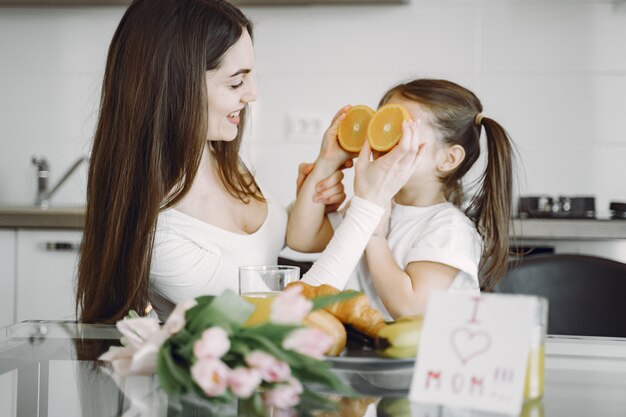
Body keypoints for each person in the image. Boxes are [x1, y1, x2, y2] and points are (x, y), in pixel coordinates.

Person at [76, 0, 420, 324]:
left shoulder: (216, 156)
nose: (252, 93)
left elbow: (278, 250)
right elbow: (282, 321)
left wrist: (323, 172)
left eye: (251, 76)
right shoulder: (159, 234)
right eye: (236, 81)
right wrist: (369, 204)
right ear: (174, 87)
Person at [288, 79, 515, 320]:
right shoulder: (374, 203)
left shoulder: (450, 228)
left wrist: (375, 235)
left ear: (448, 159)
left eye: (403, 129)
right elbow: (301, 238)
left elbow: (410, 309)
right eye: (384, 122)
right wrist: (327, 161)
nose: (385, 137)